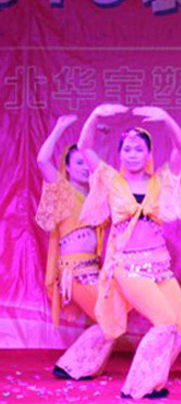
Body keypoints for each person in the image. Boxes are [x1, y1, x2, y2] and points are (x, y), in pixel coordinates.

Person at [77, 104, 181, 399]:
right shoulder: (110, 180)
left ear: (148, 154)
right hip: (127, 266)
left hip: (160, 265)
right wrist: (95, 115)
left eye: (139, 149)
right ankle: (137, 386)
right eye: (127, 149)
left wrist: (167, 119)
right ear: (120, 154)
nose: (132, 154)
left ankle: (153, 379)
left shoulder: (159, 181)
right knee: (165, 322)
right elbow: (85, 147)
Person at [35, 114, 114, 380]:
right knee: (109, 317)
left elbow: (100, 168)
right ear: (67, 168)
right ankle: (70, 364)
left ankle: (84, 365)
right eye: (78, 163)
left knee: (111, 317)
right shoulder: (62, 190)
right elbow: (42, 160)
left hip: (93, 269)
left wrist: (99, 139)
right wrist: (59, 128)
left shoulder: (95, 196)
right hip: (75, 272)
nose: (84, 167)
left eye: (85, 163)